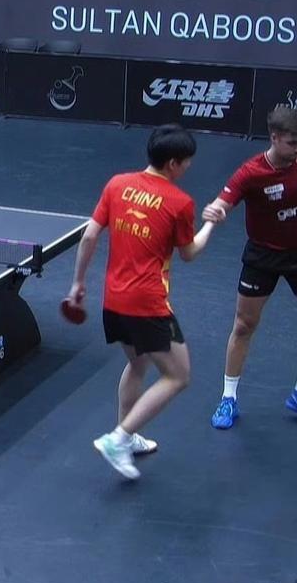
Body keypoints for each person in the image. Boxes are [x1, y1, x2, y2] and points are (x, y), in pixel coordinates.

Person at [66, 124, 216, 480]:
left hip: (113, 300)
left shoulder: (117, 184)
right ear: (173, 163)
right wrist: (211, 223)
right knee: (178, 376)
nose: (189, 167)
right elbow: (189, 253)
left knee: (138, 364)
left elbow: (89, 236)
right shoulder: (180, 202)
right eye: (187, 162)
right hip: (148, 305)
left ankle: (128, 436)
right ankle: (117, 439)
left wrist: (78, 283)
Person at [202, 107, 297, 431]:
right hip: (263, 257)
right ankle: (228, 397)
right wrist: (215, 211)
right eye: (292, 143)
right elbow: (222, 202)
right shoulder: (251, 173)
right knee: (244, 326)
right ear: (274, 138)